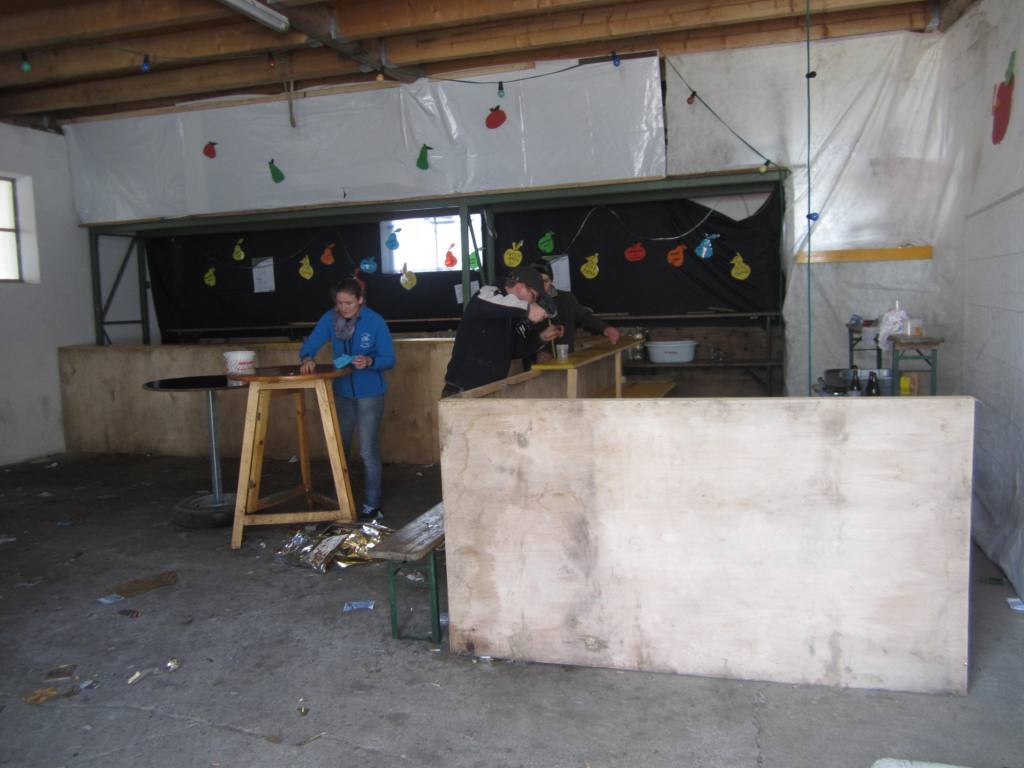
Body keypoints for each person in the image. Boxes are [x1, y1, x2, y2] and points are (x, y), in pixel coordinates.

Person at [299, 278, 395, 520]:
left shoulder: (374, 321)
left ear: (360, 300)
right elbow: (311, 342)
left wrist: (370, 361)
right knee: (339, 447)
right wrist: (307, 357)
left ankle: (372, 504)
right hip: (342, 392)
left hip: (369, 393)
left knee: (367, 450)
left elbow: (389, 359)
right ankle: (340, 499)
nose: (343, 308)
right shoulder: (330, 319)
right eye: (339, 303)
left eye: (349, 303)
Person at [442, 266, 562, 397]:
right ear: (521, 287)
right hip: (463, 390)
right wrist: (527, 309)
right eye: (533, 296)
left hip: (489, 390)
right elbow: (483, 303)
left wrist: (541, 338)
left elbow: (514, 351)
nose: (533, 301)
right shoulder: (489, 292)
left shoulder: (512, 314)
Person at [529, 260, 620, 362]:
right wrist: (537, 353)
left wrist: (605, 328)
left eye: (545, 281)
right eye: (537, 282)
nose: (541, 286)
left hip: (567, 360)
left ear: (551, 281)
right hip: (535, 365)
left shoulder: (566, 298)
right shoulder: (524, 303)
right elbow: (520, 339)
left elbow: (584, 317)